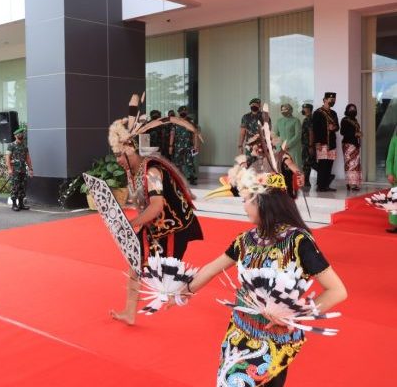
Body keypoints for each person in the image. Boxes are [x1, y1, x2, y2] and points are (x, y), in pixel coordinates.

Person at [189, 164, 347, 386]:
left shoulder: (298, 241)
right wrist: (182, 291)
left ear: (262, 202)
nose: (243, 205)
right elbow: (212, 268)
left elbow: (337, 291)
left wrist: (292, 316)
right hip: (239, 332)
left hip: (275, 339)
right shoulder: (245, 240)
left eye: (247, 199)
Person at [109, 94, 203, 326]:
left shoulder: (152, 171)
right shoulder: (136, 170)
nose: (118, 160)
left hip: (173, 228)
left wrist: (131, 224)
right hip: (157, 225)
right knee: (135, 262)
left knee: (167, 280)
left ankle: (193, 288)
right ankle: (130, 312)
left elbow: (157, 205)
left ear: (131, 150)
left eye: (120, 155)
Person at [312, 92, 339, 192]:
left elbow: (337, 127)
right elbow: (315, 129)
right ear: (325, 100)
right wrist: (317, 142)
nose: (332, 101)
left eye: (334, 100)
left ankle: (326, 185)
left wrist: (333, 127)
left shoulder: (334, 113)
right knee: (322, 165)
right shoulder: (318, 113)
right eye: (330, 99)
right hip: (322, 142)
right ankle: (320, 186)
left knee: (329, 165)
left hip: (331, 143)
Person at [170, 105, 200, 185]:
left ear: (187, 112)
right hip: (178, 146)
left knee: (189, 162)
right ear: (179, 112)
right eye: (181, 112)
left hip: (189, 145)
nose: (183, 113)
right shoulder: (175, 122)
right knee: (177, 162)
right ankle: (177, 178)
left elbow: (195, 134)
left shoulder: (191, 121)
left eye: (185, 111)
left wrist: (196, 145)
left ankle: (192, 177)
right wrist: (170, 146)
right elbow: (172, 134)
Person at [6, 125, 33, 211]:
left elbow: (28, 158)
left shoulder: (24, 146)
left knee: (22, 186)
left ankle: (21, 204)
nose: (21, 135)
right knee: (15, 186)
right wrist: (9, 169)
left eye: (21, 134)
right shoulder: (11, 145)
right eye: (19, 134)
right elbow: (7, 158)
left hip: (22, 170)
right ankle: (14, 204)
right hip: (15, 170)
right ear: (15, 136)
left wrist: (30, 169)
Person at [340, 103, 362, 191]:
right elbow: (343, 132)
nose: (353, 110)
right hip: (348, 145)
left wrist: (359, 134)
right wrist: (355, 134)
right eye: (351, 109)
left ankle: (355, 183)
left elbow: (356, 132)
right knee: (350, 164)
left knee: (356, 164)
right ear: (347, 110)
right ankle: (350, 183)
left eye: (354, 109)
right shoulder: (344, 120)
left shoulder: (355, 120)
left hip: (355, 144)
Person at [300, 103, 316, 190]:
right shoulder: (307, 118)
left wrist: (310, 146)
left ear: (309, 109)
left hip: (308, 145)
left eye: (305, 108)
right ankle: (325, 175)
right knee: (309, 163)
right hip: (306, 145)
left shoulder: (309, 119)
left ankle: (306, 182)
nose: (303, 109)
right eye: (303, 108)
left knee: (307, 163)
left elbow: (311, 132)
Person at [386, 129, 397, 233]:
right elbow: (390, 158)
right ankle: (394, 225)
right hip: (396, 176)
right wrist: (389, 173)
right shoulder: (394, 140)